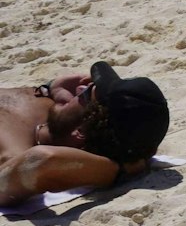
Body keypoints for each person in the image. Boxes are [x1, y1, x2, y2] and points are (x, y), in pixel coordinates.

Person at [1, 63, 169, 207]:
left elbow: (41, 161)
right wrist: (51, 87)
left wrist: (118, 171)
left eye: (86, 94)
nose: (80, 86)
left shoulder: (13, 149)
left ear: (80, 131)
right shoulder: (51, 107)